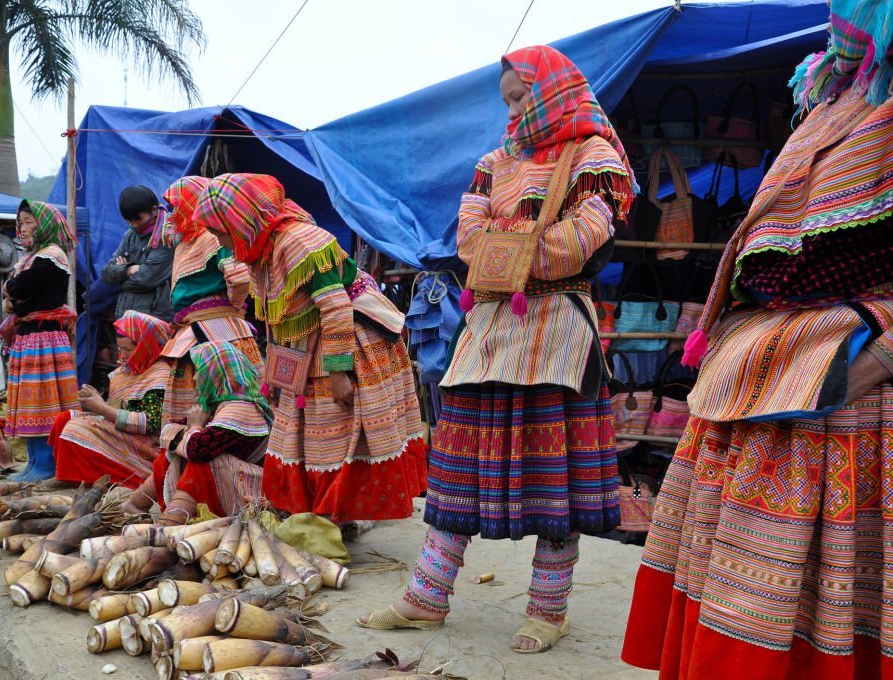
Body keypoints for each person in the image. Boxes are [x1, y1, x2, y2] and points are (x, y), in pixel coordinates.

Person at [622, 4, 893, 678]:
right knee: (738, 619)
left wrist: (882, 354)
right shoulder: (834, 95)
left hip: (855, 397)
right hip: (761, 385)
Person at [358, 46, 634, 653]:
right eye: (507, 99)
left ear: (555, 91)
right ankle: (426, 596)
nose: (513, 109)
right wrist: (517, 247)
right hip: (489, 330)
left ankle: (547, 608)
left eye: (521, 96)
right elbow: (467, 238)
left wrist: (503, 253)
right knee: (457, 462)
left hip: (559, 330)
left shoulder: (594, 157)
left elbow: (583, 239)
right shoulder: (494, 161)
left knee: (556, 471)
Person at [194, 173, 427, 524]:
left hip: (349, 340)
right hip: (308, 345)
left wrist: (339, 373)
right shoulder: (261, 250)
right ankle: (319, 516)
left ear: (240, 220)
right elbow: (277, 318)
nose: (221, 242)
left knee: (337, 431)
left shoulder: (302, 243)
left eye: (220, 232)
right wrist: (274, 377)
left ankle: (334, 517)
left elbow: (335, 308)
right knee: (301, 433)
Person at [124, 340, 272, 524]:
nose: (194, 379)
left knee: (202, 461)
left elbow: (197, 448)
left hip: (254, 491)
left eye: (198, 373)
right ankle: (137, 505)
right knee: (178, 452)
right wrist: (189, 431)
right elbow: (171, 431)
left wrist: (194, 428)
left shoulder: (241, 407)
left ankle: (170, 523)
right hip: (230, 482)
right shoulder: (217, 404)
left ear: (216, 374)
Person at [158, 176, 262, 426]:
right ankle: (190, 448)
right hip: (192, 329)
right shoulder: (187, 241)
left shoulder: (214, 236)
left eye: (176, 206)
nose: (171, 215)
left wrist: (233, 308)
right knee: (194, 402)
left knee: (230, 400)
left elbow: (238, 278)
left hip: (217, 329)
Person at [0, 199, 80, 482]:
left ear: (44, 225)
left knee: (43, 401)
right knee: (30, 403)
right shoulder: (34, 258)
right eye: (20, 223)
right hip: (32, 337)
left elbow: (20, 289)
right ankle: (34, 462)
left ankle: (45, 464)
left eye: (28, 222)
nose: (21, 228)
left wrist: (11, 290)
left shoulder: (51, 257)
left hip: (43, 339)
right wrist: (17, 298)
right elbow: (21, 299)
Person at [50, 310, 171, 487]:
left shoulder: (161, 375)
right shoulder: (129, 369)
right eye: (119, 349)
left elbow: (151, 423)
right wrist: (97, 401)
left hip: (146, 445)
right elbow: (120, 407)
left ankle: (94, 480)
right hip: (124, 428)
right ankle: (67, 477)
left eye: (127, 349)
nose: (122, 355)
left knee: (76, 429)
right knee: (65, 419)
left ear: (146, 346)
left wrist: (101, 408)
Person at [101, 185, 175, 322]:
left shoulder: (166, 235)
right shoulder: (130, 236)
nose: (134, 225)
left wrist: (120, 277)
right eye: (129, 221)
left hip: (155, 318)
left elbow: (147, 278)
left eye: (138, 219)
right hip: (126, 316)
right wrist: (129, 269)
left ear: (153, 210)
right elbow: (106, 273)